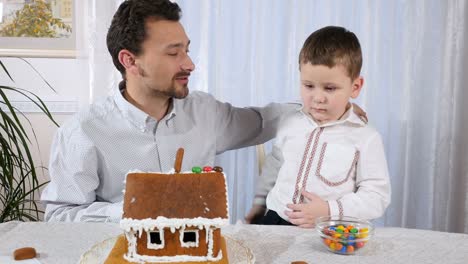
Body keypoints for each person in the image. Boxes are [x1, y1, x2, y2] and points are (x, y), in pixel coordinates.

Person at [40, 0, 365, 222]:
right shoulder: (83, 132)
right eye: (173, 53)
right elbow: (59, 216)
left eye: (187, 50)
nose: (189, 64)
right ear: (130, 61)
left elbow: (266, 119)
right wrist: (132, 209)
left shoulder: (205, 113)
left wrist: (324, 106)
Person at [245, 26, 391, 228]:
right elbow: (276, 164)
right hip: (274, 220)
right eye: (308, 86)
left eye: (330, 88)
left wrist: (330, 210)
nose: (318, 98)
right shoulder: (290, 122)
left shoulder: (366, 137)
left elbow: (376, 196)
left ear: (355, 87)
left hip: (327, 229)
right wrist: (259, 205)